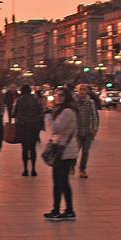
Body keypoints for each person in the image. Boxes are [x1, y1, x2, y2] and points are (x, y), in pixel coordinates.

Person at [43, 87, 80, 221]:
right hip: (65, 150)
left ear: (66, 97)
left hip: (64, 151)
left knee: (59, 182)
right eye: (57, 95)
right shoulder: (66, 110)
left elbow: (55, 128)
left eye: (61, 95)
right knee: (63, 182)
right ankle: (68, 210)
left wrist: (47, 115)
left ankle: (57, 210)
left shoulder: (67, 112)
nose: (58, 97)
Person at [12, 84, 44, 176]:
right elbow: (40, 112)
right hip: (33, 126)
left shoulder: (19, 100)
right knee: (33, 148)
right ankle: (33, 169)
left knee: (25, 149)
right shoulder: (35, 100)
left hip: (23, 126)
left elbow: (14, 114)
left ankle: (25, 169)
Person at [73, 83, 101, 178]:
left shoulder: (90, 102)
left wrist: (94, 129)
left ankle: (82, 170)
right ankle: (71, 167)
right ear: (77, 91)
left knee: (85, 152)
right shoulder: (74, 102)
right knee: (74, 151)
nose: (82, 92)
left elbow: (94, 117)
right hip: (76, 132)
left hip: (88, 132)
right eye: (80, 90)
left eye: (84, 90)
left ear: (86, 92)